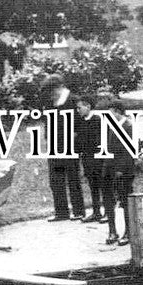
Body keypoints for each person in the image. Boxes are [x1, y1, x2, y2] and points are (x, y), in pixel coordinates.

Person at [40, 74, 85, 221]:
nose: (50, 96)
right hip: (54, 146)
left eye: (52, 92)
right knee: (55, 179)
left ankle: (78, 211)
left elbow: (81, 123)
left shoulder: (73, 100)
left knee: (73, 178)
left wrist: (75, 135)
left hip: (70, 146)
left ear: (59, 87)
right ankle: (61, 212)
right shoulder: (50, 102)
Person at [97, 94, 137, 245]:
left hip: (124, 170)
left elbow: (129, 151)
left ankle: (129, 232)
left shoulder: (128, 126)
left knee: (126, 201)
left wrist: (120, 169)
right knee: (108, 199)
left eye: (110, 112)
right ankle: (112, 231)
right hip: (108, 167)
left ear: (117, 111)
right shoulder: (109, 125)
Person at [75, 93, 105, 223]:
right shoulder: (81, 121)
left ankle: (108, 212)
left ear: (88, 106)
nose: (78, 110)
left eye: (79, 107)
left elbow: (99, 140)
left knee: (103, 185)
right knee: (92, 185)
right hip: (87, 158)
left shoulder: (97, 120)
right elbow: (79, 140)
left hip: (98, 158)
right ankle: (96, 212)